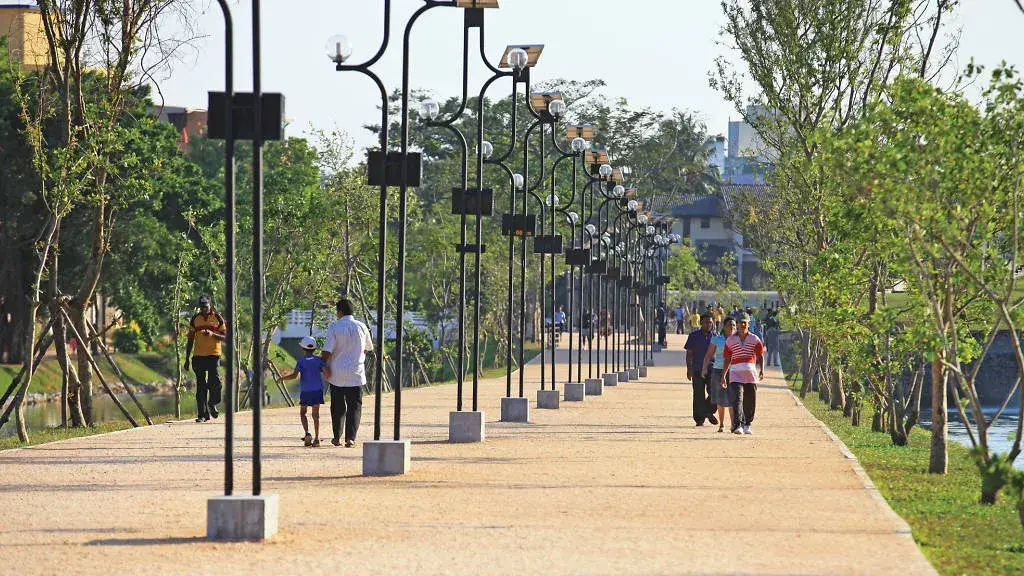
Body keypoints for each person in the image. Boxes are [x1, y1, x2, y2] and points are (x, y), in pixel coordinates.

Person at [322, 298, 374, 447]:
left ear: (340, 312)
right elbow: (368, 347)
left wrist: (322, 365)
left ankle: (337, 437)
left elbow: (327, 350)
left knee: (337, 407)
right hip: (356, 373)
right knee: (354, 406)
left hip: (336, 373)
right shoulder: (362, 327)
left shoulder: (334, 327)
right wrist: (358, 355)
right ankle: (350, 438)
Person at [276, 336, 328, 447]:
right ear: (314, 349)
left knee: (303, 413)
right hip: (317, 390)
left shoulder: (301, 361)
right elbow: (326, 373)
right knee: (316, 415)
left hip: (306, 391)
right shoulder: (319, 360)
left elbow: (294, 376)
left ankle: (307, 433)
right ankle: (317, 439)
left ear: (303, 348)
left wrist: (282, 378)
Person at [184, 295, 226, 423]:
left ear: (210, 305)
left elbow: (226, 337)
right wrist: (186, 358)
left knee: (215, 383)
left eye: (206, 307)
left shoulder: (217, 318)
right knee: (201, 386)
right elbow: (190, 340)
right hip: (198, 356)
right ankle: (202, 415)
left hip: (213, 355)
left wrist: (213, 334)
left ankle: (212, 403)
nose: (204, 309)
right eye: (201, 307)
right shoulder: (195, 319)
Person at [724, 313, 765, 435]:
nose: (742, 325)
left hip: (750, 374)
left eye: (744, 322)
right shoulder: (730, 340)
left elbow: (760, 356)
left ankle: (748, 424)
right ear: (737, 324)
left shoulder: (755, 339)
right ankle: (738, 425)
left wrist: (762, 370)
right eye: (740, 322)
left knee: (750, 400)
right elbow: (727, 359)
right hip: (735, 374)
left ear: (748, 324)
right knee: (737, 399)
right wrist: (723, 376)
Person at [683, 313, 719, 427]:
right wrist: (689, 369)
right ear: (701, 323)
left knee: (716, 392)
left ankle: (708, 410)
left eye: (710, 322)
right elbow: (689, 354)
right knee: (698, 394)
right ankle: (699, 419)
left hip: (712, 369)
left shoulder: (716, 337)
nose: (709, 324)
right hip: (697, 368)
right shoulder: (694, 336)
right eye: (706, 322)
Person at [702, 317, 736, 433]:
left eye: (734, 325)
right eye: (729, 325)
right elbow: (708, 355)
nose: (732, 327)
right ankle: (721, 425)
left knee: (733, 399)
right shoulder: (717, 339)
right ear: (724, 326)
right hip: (718, 370)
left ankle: (733, 424)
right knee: (720, 400)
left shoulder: (737, 340)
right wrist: (704, 368)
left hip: (733, 372)